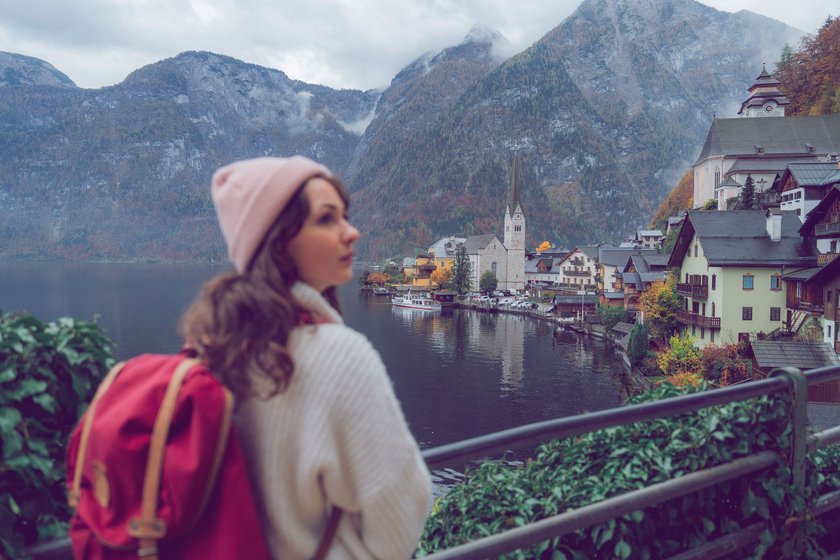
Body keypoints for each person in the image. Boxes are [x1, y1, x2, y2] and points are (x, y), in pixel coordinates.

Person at [181, 156, 432, 559]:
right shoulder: (342, 357)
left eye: (344, 216)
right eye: (327, 219)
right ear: (279, 241)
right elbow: (400, 521)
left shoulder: (216, 346)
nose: (352, 232)